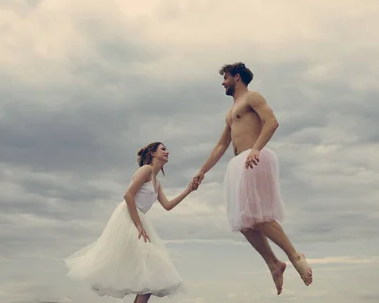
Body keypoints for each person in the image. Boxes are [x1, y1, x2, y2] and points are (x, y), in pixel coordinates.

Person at [191, 62, 312, 295]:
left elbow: (272, 122)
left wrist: (256, 148)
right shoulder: (231, 112)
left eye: (225, 77)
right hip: (239, 162)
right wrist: (202, 170)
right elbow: (221, 144)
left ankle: (295, 256)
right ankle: (274, 264)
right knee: (245, 222)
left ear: (237, 77)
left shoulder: (252, 97)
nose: (223, 82)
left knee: (259, 215)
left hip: (254, 157)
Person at [65, 142, 194, 303]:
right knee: (151, 273)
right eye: (163, 149)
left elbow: (167, 206)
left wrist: (189, 190)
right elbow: (128, 195)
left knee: (151, 277)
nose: (167, 152)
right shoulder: (146, 170)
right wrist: (138, 225)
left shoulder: (156, 181)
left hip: (139, 219)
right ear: (153, 153)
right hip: (129, 218)